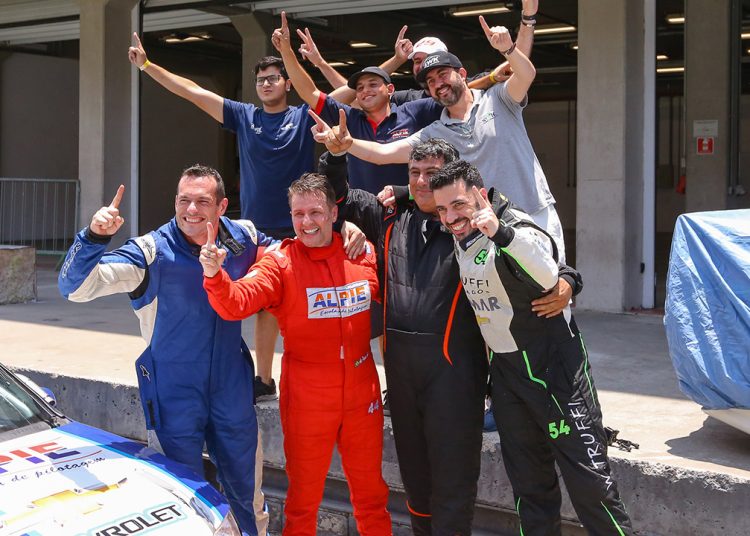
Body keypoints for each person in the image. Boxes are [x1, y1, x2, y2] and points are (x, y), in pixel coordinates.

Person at [58, 165, 272, 536]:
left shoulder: (243, 236)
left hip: (232, 388)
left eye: (202, 201)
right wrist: (93, 237)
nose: (191, 210)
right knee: (181, 501)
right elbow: (74, 289)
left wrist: (345, 229)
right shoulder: (149, 252)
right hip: (174, 395)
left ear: (222, 206)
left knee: (248, 498)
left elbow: (291, 256)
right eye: (184, 200)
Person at [430, 160, 632, 535]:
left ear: (480, 194)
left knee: (592, 488)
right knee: (529, 488)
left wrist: (501, 233)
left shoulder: (514, 224)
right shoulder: (461, 233)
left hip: (556, 373)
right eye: (442, 209)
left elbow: (548, 272)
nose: (451, 217)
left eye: (458, 204)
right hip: (508, 377)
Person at [200, 173, 391, 536]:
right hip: (307, 395)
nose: (306, 222)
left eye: (315, 212)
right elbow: (236, 302)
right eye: (298, 214)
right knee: (303, 501)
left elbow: (400, 296)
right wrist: (215, 275)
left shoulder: (361, 252)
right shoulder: (279, 263)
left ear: (334, 214)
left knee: (372, 496)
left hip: (362, 392)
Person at [127, 35, 309, 402]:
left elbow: (349, 96)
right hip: (255, 231)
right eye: (261, 79)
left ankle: (306, 377)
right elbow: (192, 91)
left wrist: (390, 65)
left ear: (288, 83)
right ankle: (263, 379)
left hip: (300, 226)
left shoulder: (304, 116)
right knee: (259, 303)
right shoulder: (244, 116)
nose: (266, 84)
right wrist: (147, 65)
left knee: (301, 304)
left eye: (274, 78)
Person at [315, 17, 567, 262]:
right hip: (481, 227)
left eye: (443, 74)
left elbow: (526, 74)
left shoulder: (498, 99)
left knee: (552, 286)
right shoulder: (435, 133)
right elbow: (382, 154)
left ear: (462, 74)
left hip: (534, 214)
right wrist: (347, 143)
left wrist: (509, 49)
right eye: (431, 81)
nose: (438, 84)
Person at [272, 12, 442, 195]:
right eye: (359, 88)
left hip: (406, 206)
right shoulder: (349, 118)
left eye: (373, 85)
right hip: (361, 209)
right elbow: (309, 92)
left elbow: (453, 96)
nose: (365, 90)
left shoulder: (413, 111)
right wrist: (286, 51)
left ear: (390, 89)